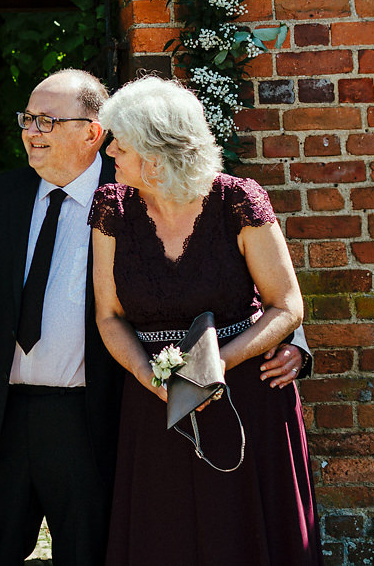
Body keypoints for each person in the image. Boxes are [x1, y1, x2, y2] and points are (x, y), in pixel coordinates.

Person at [0, 69, 308, 566]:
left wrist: (240, 358)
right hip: (94, 406)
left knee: (228, 534)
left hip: (175, 404)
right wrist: (151, 375)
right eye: (27, 118)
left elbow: (278, 299)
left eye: (46, 120)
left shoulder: (224, 199)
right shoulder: (70, 205)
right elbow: (95, 315)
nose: (110, 152)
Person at [90, 76, 320, 566]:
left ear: (155, 153)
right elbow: (108, 316)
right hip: (155, 400)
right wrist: (150, 376)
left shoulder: (238, 201)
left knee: (244, 535)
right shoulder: (112, 207)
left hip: (246, 396)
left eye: (121, 144)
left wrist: (212, 369)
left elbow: (287, 305)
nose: (109, 151)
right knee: (164, 536)